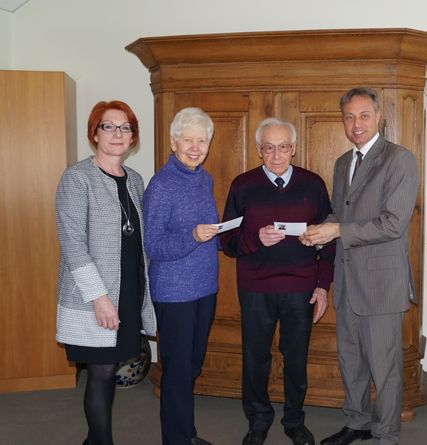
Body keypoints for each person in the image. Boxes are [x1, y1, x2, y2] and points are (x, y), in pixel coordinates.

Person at [301, 87, 419, 445]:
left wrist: (338, 229)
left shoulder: (399, 159)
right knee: (351, 361)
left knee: (385, 369)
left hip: (382, 284)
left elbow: (392, 223)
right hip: (349, 280)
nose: (357, 124)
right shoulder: (342, 163)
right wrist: (321, 231)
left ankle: (386, 433)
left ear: (378, 117)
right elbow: (342, 213)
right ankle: (357, 423)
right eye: (349, 116)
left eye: (364, 115)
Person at [220, 117, 335, 445]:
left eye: (283, 147)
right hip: (255, 286)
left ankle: (294, 421)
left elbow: (329, 241)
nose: (276, 154)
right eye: (269, 148)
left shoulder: (313, 184)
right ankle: (257, 420)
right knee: (255, 357)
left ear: (293, 149)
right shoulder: (242, 185)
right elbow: (226, 242)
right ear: (259, 150)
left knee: (296, 357)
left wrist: (322, 285)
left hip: (300, 286)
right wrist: (255, 239)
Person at [55, 100, 156, 445]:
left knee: (111, 369)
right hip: (95, 295)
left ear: (133, 137)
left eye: (125, 127)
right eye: (108, 126)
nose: (117, 134)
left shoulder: (136, 180)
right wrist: (99, 298)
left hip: (128, 290)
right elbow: (72, 243)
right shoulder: (77, 177)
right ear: (95, 133)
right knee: (99, 372)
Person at [143, 107, 219, 445]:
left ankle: (186, 433)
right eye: (188, 139)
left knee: (192, 366)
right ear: (174, 143)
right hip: (174, 292)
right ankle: (176, 440)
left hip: (205, 287)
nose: (195, 146)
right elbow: (154, 245)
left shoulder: (205, 178)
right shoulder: (161, 186)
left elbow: (208, 231)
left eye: (201, 140)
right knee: (176, 371)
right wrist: (192, 236)